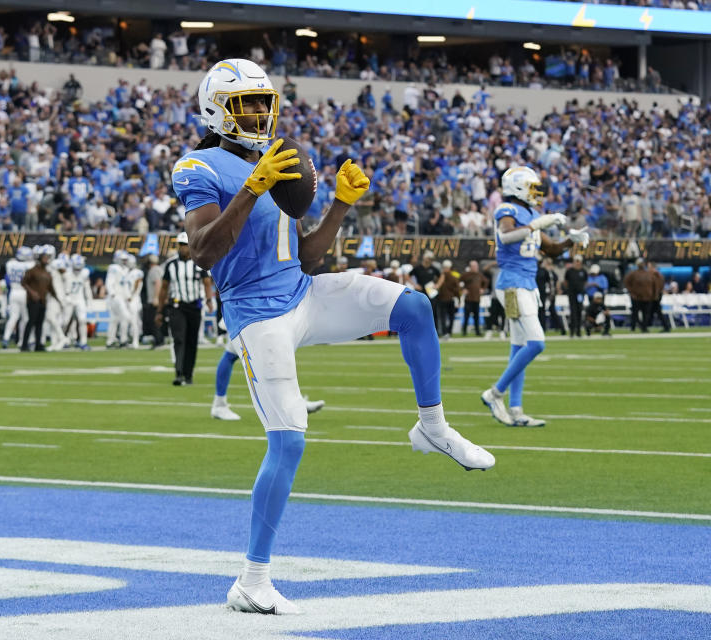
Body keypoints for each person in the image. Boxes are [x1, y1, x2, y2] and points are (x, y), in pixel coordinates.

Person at [175, 58, 494, 615]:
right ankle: (252, 580)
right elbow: (202, 251)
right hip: (256, 313)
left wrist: (342, 204)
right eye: (244, 105)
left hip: (301, 293)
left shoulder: (274, 161)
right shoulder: (196, 165)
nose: (257, 115)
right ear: (215, 109)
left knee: (414, 307)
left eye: (263, 104)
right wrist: (250, 189)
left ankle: (433, 427)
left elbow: (307, 256)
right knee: (290, 439)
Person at [480, 166, 589, 428]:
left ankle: (516, 410)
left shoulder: (532, 213)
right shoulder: (507, 210)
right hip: (511, 284)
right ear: (517, 187)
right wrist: (535, 225)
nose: (536, 194)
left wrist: (571, 241)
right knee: (537, 342)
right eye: (532, 188)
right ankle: (495, 393)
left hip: (527, 284)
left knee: (519, 346)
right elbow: (506, 237)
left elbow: (550, 250)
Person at [211, 337, 325, 420]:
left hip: (254, 311)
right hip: (247, 311)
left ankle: (293, 402)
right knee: (232, 355)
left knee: (279, 353)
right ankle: (219, 405)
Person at [155, 233, 213, 386]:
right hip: (177, 306)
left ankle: (188, 374)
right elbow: (164, 289)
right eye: (181, 245)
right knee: (179, 339)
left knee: (192, 341)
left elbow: (207, 283)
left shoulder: (198, 263)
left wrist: (209, 300)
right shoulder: (171, 265)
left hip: (194, 305)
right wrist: (160, 311)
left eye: (185, 245)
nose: (183, 248)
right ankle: (179, 373)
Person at [21, 245, 60, 351]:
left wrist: (58, 299)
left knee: (40, 323)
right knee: (31, 322)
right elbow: (24, 283)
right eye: (45, 257)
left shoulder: (47, 273)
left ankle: (39, 344)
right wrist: (32, 293)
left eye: (47, 257)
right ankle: (24, 344)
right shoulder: (32, 270)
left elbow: (51, 288)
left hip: (43, 300)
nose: (46, 259)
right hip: (33, 301)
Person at [1, 246, 33, 348]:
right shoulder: (29, 265)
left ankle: (5, 338)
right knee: (25, 318)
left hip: (13, 292)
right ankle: (22, 341)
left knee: (13, 317)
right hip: (24, 292)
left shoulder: (10, 264)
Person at [64, 253, 92, 350]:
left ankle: (83, 342)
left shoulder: (84, 273)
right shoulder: (66, 273)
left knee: (82, 320)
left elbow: (87, 288)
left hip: (80, 298)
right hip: (69, 298)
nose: (78, 269)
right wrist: (65, 298)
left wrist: (89, 301)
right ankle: (64, 340)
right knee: (65, 322)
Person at [105, 251, 129, 348]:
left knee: (115, 320)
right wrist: (112, 293)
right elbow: (109, 281)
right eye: (123, 260)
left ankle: (111, 341)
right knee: (125, 317)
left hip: (122, 297)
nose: (124, 261)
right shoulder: (114, 268)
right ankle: (122, 339)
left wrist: (127, 296)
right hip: (116, 297)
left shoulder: (126, 269)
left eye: (125, 260)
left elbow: (125, 285)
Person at [535, 257, 565, 335]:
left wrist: (551, 295)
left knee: (546, 311)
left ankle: (559, 328)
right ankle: (544, 328)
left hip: (547, 295)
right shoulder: (541, 271)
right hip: (541, 294)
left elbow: (551, 284)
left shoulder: (547, 272)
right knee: (543, 311)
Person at [624, 258, 651, 333]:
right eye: (640, 263)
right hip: (636, 297)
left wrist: (651, 294)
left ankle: (644, 327)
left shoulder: (648, 273)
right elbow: (627, 283)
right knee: (635, 313)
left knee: (646, 313)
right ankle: (633, 327)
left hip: (646, 297)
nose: (642, 265)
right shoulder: (633, 274)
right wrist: (632, 293)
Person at [563, 254, 588, 338]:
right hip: (572, 294)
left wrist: (581, 289)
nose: (577, 263)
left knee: (579, 312)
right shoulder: (569, 271)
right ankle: (572, 331)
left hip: (580, 294)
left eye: (578, 261)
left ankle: (578, 331)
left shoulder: (583, 271)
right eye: (575, 261)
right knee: (573, 312)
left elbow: (585, 282)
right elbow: (566, 282)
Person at [459, 260, 485, 336]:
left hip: (476, 299)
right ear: (470, 267)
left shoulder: (479, 275)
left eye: (476, 266)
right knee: (466, 316)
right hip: (468, 299)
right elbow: (458, 282)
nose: (476, 268)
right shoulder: (466, 275)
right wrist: (462, 289)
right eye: (474, 266)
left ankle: (477, 331)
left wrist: (482, 288)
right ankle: (464, 331)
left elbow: (486, 281)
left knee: (476, 316)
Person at [647, 261, 671, 333]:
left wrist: (656, 295)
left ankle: (666, 327)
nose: (648, 269)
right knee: (652, 311)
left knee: (656, 311)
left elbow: (658, 286)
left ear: (652, 267)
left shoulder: (656, 275)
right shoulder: (657, 275)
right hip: (655, 295)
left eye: (649, 267)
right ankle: (645, 326)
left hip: (655, 296)